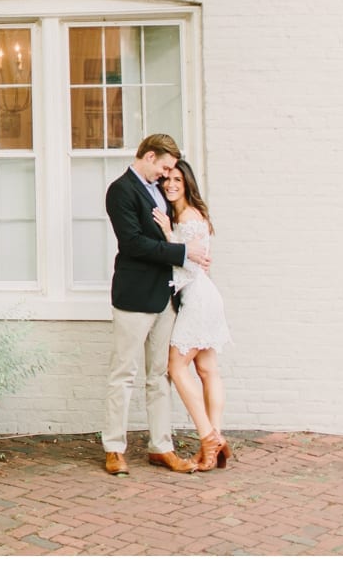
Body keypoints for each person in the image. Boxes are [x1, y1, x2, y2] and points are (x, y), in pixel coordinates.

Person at [102, 133, 211, 476]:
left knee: (159, 376)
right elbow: (132, 243)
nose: (166, 175)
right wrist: (183, 252)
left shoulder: (158, 191)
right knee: (123, 374)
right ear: (149, 156)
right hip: (134, 297)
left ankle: (161, 446)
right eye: (163, 167)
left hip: (165, 296)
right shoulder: (120, 190)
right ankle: (114, 448)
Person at [153, 159, 232, 471]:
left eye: (177, 180)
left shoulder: (186, 217)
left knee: (176, 366)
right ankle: (217, 438)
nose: (171, 185)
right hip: (206, 294)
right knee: (208, 369)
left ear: (187, 184)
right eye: (166, 180)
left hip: (198, 298)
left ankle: (208, 436)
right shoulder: (192, 214)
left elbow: (189, 261)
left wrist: (166, 234)